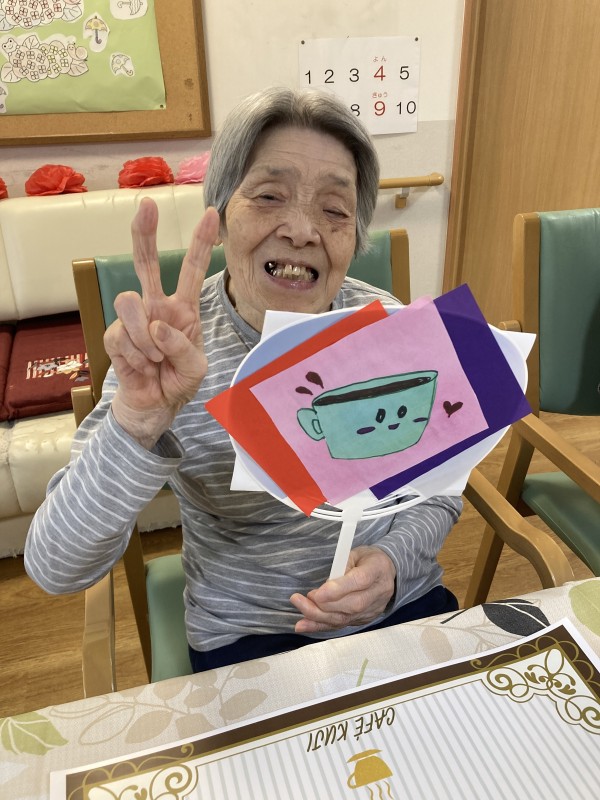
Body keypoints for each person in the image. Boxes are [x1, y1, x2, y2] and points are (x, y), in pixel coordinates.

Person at [25, 87, 461, 672]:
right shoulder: (170, 350)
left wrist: (393, 563)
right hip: (249, 637)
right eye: (269, 195)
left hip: (400, 604)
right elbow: (55, 568)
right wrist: (139, 420)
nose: (302, 230)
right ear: (221, 215)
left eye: (334, 209)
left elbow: (440, 485)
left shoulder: (386, 326)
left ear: (355, 236)